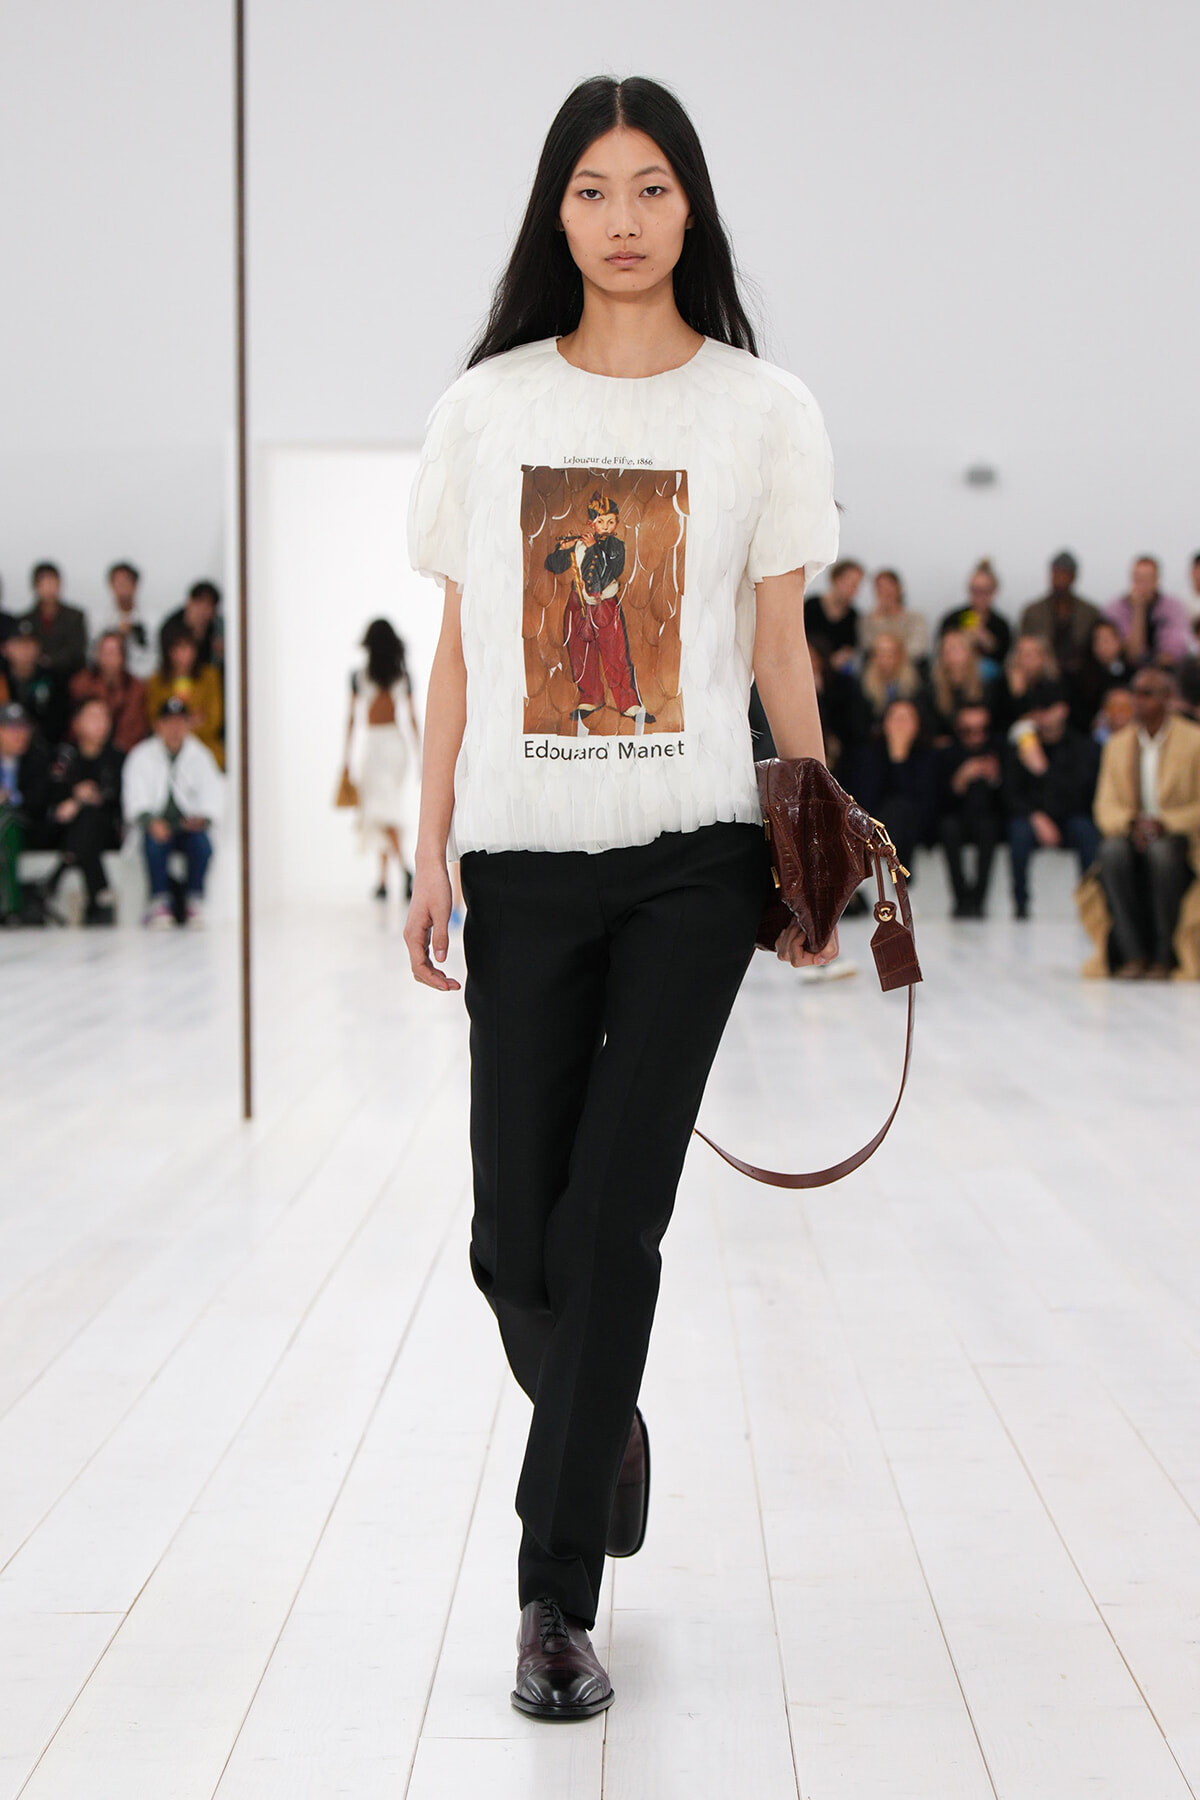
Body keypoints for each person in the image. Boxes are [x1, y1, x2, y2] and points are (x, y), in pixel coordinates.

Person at [403, 75, 841, 1722]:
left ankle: (552, 1591)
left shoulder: (763, 410)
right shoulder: (489, 407)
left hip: (692, 862)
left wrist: (814, 834)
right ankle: (605, 1416)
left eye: (653, 186)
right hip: (519, 858)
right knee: (514, 1233)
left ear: (691, 207)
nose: (626, 218)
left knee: (615, 1223)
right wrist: (426, 841)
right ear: (557, 213)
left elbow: (782, 650)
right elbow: (458, 653)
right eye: (594, 189)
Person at [1094, 669, 1200, 978]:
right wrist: (1130, 823)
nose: (1136, 701)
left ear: (1168, 699)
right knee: (1111, 853)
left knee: (1162, 855)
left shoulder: (1194, 741)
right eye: (1135, 692)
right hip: (1132, 831)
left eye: (1147, 693)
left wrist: (1164, 824)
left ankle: (1165, 954)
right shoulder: (1117, 744)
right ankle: (1133, 955)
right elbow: (1104, 805)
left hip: (1181, 835)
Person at [122, 695, 224, 927]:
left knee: (202, 845)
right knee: (154, 843)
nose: (174, 728)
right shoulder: (141, 756)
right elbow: (135, 797)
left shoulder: (201, 756)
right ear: (158, 725)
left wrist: (202, 818)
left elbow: (213, 795)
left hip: (188, 827)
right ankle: (159, 901)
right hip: (157, 826)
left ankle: (194, 900)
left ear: (189, 724)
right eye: (168, 722)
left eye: (180, 722)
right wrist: (150, 820)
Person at [1003, 678, 1099, 919]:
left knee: (1086, 830)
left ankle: (1091, 903)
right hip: (1034, 817)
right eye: (1038, 711)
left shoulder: (1082, 747)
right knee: (1019, 832)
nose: (1043, 717)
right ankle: (1021, 905)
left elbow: (1082, 796)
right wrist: (1036, 816)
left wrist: (1044, 771)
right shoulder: (1021, 747)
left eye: (1048, 709)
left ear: (1063, 710)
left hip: (1070, 817)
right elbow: (1010, 794)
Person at [344, 618, 421, 900]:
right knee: (383, 811)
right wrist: (418, 751)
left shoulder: (360, 677)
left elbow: (352, 719)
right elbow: (412, 719)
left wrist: (346, 757)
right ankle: (385, 880)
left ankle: (403, 869)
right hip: (394, 745)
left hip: (378, 746)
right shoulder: (400, 677)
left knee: (381, 811)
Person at [42, 698, 124, 925]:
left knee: (89, 818)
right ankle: (99, 895)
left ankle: (60, 871)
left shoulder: (117, 758)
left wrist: (80, 802)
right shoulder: (63, 756)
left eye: (104, 717)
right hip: (64, 829)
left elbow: (116, 799)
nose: (100, 723)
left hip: (105, 830)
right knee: (84, 819)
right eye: (93, 717)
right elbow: (52, 797)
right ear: (77, 723)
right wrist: (78, 800)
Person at [851, 698, 938, 879]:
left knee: (903, 808)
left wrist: (900, 759)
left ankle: (898, 873)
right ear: (884, 724)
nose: (900, 725)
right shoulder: (869, 755)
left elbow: (926, 800)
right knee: (895, 808)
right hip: (878, 824)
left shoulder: (928, 756)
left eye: (906, 719)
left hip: (918, 826)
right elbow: (867, 799)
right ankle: (902, 876)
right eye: (895, 718)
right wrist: (895, 756)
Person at [937, 701, 1005, 917]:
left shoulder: (999, 751)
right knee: (949, 828)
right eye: (968, 731)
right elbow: (936, 801)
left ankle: (978, 900)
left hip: (989, 819)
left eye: (981, 730)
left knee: (989, 827)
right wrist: (959, 781)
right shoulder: (948, 754)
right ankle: (961, 899)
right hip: (956, 817)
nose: (976, 736)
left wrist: (996, 779)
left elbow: (1011, 799)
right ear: (959, 730)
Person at [0, 702, 55, 925]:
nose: (19, 735)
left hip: (28, 826)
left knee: (7, 822)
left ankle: (11, 907)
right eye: (11, 728)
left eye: (23, 728)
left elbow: (38, 802)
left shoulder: (38, 758)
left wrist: (10, 797)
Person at [145, 623, 224, 768]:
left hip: (206, 746)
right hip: (166, 751)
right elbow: (154, 719)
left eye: (187, 648)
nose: (183, 655)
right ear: (168, 651)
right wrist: (188, 723)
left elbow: (214, 720)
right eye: (177, 649)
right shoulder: (156, 681)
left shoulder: (210, 677)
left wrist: (176, 725)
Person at [1018, 552, 1101, 684]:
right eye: (1056, 574)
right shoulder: (1033, 611)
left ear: (1073, 577)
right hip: (1042, 675)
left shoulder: (1089, 612)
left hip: (1081, 676)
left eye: (1064, 575)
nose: (1060, 579)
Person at [68, 629, 149, 753]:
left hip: (125, 752)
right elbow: (75, 725)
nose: (109, 658)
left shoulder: (136, 688)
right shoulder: (81, 683)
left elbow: (136, 728)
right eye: (105, 652)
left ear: (123, 656)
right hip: (86, 751)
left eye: (114, 652)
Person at [1105, 556, 1191, 667]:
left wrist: (1153, 664)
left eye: (1148, 579)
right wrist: (1139, 609)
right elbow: (1132, 654)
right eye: (1138, 579)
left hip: (1165, 669)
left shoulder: (1173, 606)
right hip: (1126, 669)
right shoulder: (1115, 609)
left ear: (1157, 580)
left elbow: (1174, 650)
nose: (1143, 584)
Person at [0, 617, 71, 746]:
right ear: (4, 649)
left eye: (31, 643)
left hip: (43, 748)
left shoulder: (54, 679)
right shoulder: (2, 678)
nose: (26, 649)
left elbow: (59, 723)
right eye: (19, 643)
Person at [938, 559, 1011, 682]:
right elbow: (940, 649)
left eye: (984, 591)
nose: (978, 596)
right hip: (954, 672)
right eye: (974, 590)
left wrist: (987, 640)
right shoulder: (953, 618)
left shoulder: (1000, 624)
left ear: (993, 592)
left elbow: (1004, 658)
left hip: (989, 681)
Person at [21, 562, 88, 680]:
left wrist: (50, 660)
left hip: (70, 676)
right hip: (36, 677)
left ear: (60, 584)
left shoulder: (75, 616)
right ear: (35, 587)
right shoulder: (26, 619)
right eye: (44, 583)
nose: (49, 587)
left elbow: (77, 649)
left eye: (52, 582)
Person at [1071, 618, 1133, 735]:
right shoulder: (1081, 676)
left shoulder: (1133, 673)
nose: (1103, 646)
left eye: (1107, 640)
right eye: (1098, 641)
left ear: (1119, 641)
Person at [859, 567, 930, 665]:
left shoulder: (915, 618)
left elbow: (918, 648)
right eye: (880, 588)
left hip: (909, 666)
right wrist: (878, 622)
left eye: (889, 587)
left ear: (899, 589)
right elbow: (868, 648)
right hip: (878, 668)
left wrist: (892, 656)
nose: (885, 592)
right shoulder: (869, 620)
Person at [98, 561, 156, 680]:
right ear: (111, 586)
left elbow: (154, 656)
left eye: (126, 582)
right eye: (118, 583)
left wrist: (134, 636)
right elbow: (93, 656)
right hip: (108, 681)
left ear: (135, 585)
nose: (122, 587)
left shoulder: (151, 620)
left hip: (143, 680)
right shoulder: (99, 620)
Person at [991, 632, 1059, 732]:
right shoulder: (1002, 682)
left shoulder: (1052, 681)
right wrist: (1018, 693)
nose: (1025, 659)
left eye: (1031, 654)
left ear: (1044, 657)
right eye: (1021, 653)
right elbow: (1007, 719)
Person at [803, 559, 863, 671]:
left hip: (834, 674)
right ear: (835, 579)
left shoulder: (853, 616)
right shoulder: (812, 605)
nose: (853, 589)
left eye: (856, 585)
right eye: (850, 583)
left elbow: (851, 648)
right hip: (805, 665)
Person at [928, 628, 987, 739]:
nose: (950, 653)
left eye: (955, 648)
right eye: (946, 649)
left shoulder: (986, 685)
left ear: (969, 652)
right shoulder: (931, 689)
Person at [859, 629, 925, 724]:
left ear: (901, 655)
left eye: (890, 653)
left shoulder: (915, 686)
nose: (885, 659)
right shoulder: (862, 687)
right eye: (881, 653)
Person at [158, 580, 224, 673]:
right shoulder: (170, 626)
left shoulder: (219, 628)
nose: (203, 611)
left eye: (208, 606)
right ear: (189, 602)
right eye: (199, 604)